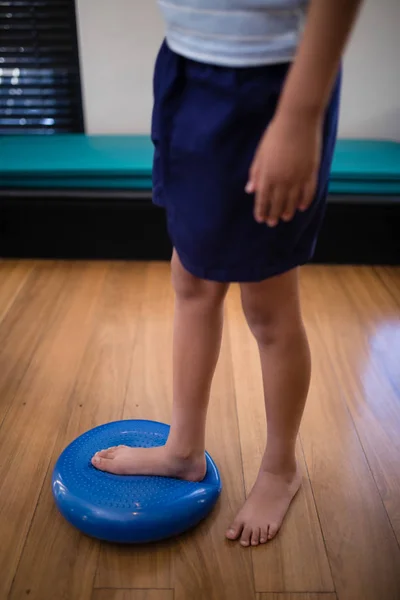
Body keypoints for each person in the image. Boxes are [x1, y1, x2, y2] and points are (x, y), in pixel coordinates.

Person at [92, 0, 363, 547]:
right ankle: (183, 449)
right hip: (186, 73)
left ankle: (281, 468)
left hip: (270, 91)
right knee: (191, 281)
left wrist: (299, 115)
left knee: (268, 306)